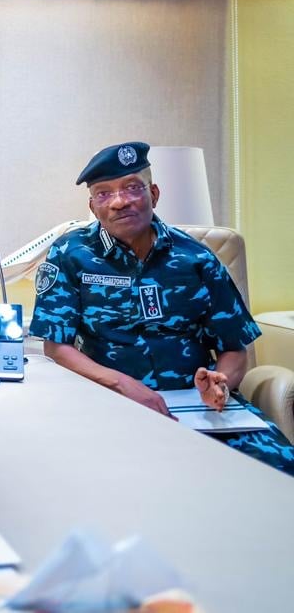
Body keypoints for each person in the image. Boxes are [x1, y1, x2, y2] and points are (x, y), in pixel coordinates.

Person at [30, 141, 294, 476]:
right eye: (104, 193)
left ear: (154, 194)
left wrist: (221, 382)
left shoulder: (196, 259)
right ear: (93, 207)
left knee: (281, 470)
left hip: (199, 406)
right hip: (109, 402)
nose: (120, 201)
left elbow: (234, 349)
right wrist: (123, 385)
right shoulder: (71, 254)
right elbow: (57, 347)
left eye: (131, 188)